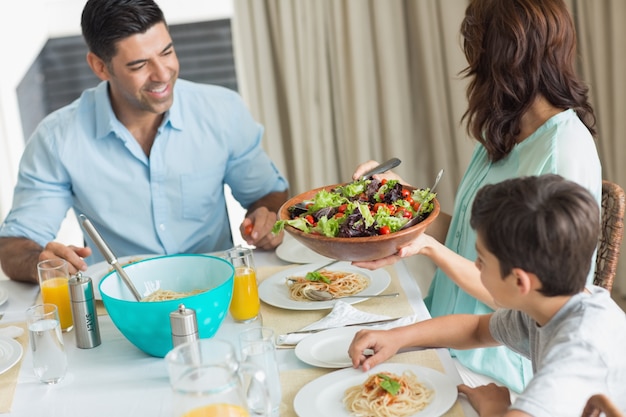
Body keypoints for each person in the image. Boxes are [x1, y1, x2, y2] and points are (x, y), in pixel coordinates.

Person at [352, 0, 601, 392]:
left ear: (506, 61)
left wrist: (429, 250)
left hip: (497, 365)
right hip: (446, 334)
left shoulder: (562, 152)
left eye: (479, 56)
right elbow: (469, 239)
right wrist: (406, 203)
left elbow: (522, 294)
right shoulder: (504, 132)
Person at [0, 0, 288, 284]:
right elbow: (13, 247)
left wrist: (267, 218)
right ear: (100, 67)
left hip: (218, 288)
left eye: (167, 52)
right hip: (123, 305)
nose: (163, 74)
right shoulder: (57, 138)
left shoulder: (223, 110)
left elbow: (267, 194)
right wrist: (43, 261)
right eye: (139, 65)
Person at [348, 175, 626, 417]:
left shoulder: (579, 350)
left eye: (481, 260)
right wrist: (397, 337)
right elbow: (478, 329)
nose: (476, 267)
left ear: (520, 281)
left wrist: (494, 407)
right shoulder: (550, 304)